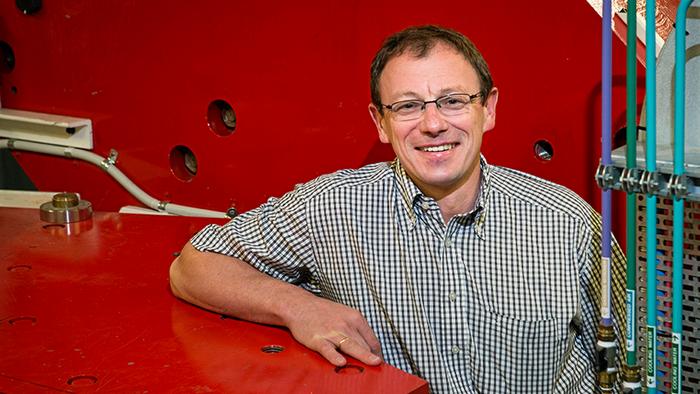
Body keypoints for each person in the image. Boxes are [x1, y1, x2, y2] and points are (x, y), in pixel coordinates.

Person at [169, 25, 626, 393]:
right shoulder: (333, 208)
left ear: (488, 109)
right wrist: (296, 306)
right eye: (408, 106)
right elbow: (193, 266)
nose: (432, 124)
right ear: (380, 123)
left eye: (452, 101)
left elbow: (636, 361)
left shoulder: (567, 221)